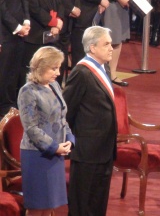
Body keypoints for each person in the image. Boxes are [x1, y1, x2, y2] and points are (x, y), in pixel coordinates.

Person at [63, 26, 117, 216]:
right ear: (92, 48)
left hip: (105, 147)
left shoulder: (104, 67)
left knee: (98, 200)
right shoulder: (81, 72)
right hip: (87, 149)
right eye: (107, 44)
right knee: (82, 203)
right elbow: (66, 110)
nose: (111, 48)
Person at [18, 46, 74, 216]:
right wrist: (54, 147)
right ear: (41, 67)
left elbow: (61, 117)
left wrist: (69, 139)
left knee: (50, 205)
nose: (58, 72)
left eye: (59, 67)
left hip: (56, 154)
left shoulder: (54, 85)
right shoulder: (28, 91)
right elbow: (31, 128)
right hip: (37, 155)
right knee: (37, 207)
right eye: (54, 68)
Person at [0, 0, 31, 117]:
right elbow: (1, 7)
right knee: (5, 72)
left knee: (18, 70)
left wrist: (26, 21)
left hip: (21, 29)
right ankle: (4, 110)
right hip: (6, 31)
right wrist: (16, 27)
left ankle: (13, 105)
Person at [23, 0, 64, 83]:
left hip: (52, 31)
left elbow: (59, 3)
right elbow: (35, 9)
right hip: (37, 34)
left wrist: (59, 21)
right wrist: (53, 23)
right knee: (37, 69)